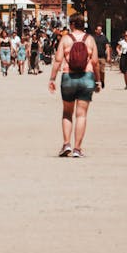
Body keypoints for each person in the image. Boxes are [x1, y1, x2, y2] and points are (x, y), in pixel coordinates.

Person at [48, 14, 100, 157]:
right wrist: (98, 80)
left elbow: (58, 61)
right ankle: (77, 149)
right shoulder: (90, 39)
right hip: (87, 77)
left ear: (71, 24)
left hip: (68, 77)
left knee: (67, 113)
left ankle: (66, 144)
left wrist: (52, 79)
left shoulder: (65, 39)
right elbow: (95, 62)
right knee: (81, 115)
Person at [93, 25, 111, 89]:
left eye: (100, 29)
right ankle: (96, 82)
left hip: (102, 57)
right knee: (95, 70)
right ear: (95, 30)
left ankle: (102, 81)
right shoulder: (93, 38)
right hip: (94, 57)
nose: (99, 31)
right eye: (98, 29)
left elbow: (107, 47)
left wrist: (108, 56)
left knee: (102, 71)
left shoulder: (104, 38)